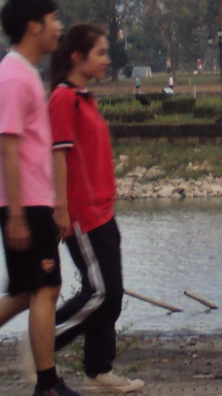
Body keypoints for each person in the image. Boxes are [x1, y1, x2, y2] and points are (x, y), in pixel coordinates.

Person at [49, 24, 144, 393]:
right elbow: (58, 156)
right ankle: (44, 340)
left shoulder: (83, 96)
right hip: (82, 215)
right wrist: (61, 209)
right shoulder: (62, 99)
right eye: (100, 53)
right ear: (77, 56)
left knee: (112, 294)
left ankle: (98, 372)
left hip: (104, 210)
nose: (107, 60)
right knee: (99, 292)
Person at [0, 0, 78, 396]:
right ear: (33, 25)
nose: (59, 26)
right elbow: (7, 146)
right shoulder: (13, 76)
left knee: (29, 291)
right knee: (45, 289)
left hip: (31, 200)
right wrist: (15, 215)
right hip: (24, 202)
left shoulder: (26, 72)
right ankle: (47, 385)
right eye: (53, 18)